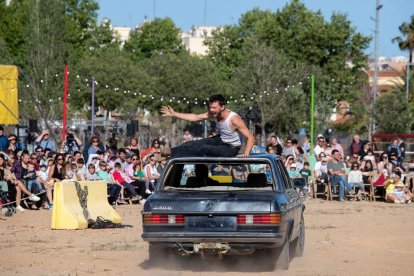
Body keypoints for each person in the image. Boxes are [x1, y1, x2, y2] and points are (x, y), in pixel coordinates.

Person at [161, 94, 255, 158]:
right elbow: (196, 117)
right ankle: (168, 152)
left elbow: (251, 137)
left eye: (214, 108)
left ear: (222, 107)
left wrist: (246, 153)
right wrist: (174, 114)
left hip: (231, 148)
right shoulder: (214, 114)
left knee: (204, 148)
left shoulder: (234, 119)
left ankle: (172, 153)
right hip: (221, 139)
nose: (211, 110)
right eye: (210, 107)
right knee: (194, 143)